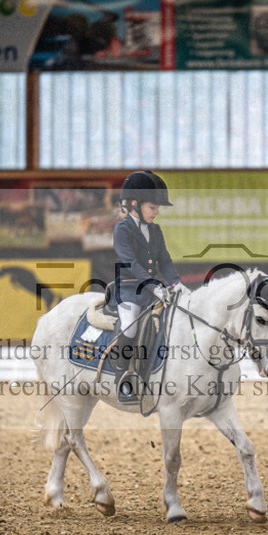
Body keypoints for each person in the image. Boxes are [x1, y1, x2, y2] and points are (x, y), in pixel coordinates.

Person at [109, 170, 186, 403]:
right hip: (131, 292)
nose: (157, 212)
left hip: (153, 292)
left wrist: (176, 283)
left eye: (157, 208)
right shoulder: (122, 230)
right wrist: (153, 285)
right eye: (153, 207)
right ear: (134, 204)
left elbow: (165, 261)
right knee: (130, 327)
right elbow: (130, 262)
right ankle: (123, 378)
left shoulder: (155, 230)